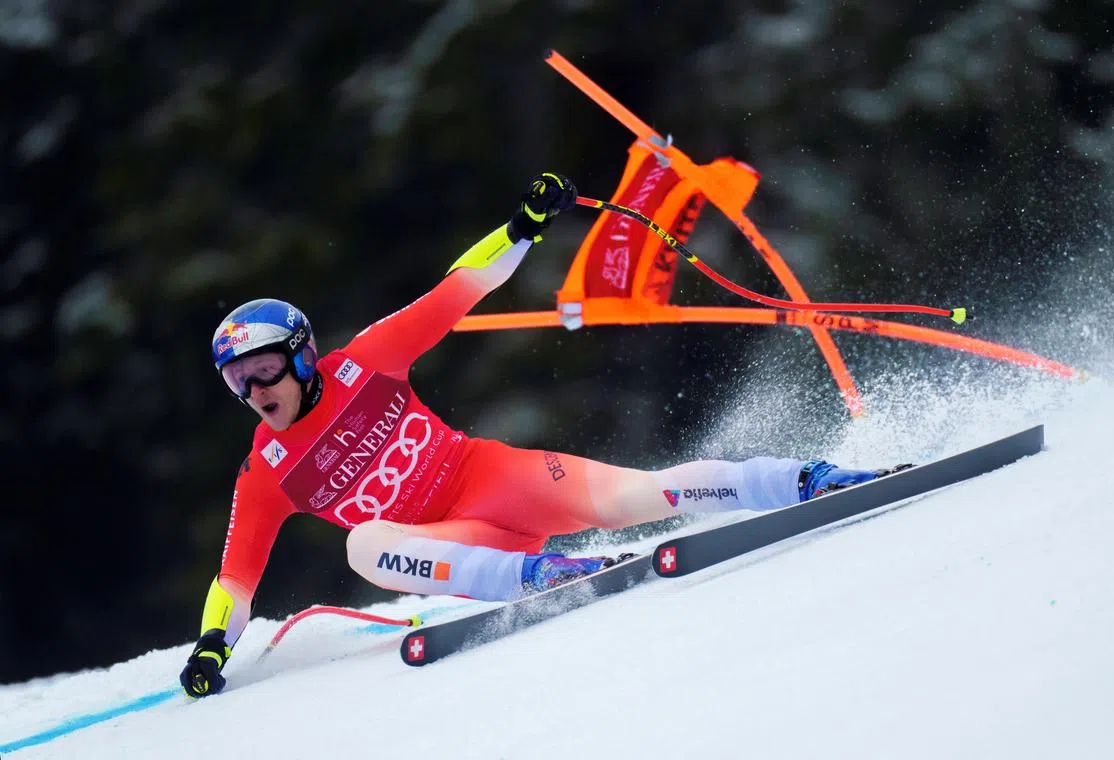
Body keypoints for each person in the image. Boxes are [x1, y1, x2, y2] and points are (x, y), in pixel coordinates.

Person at [180, 172, 901, 698]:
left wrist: (522, 224)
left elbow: (460, 288)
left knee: (637, 496)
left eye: (265, 367)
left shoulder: (363, 363)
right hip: (464, 549)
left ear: (301, 355)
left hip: (495, 479)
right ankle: (540, 578)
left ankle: (804, 480)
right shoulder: (266, 471)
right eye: (237, 381)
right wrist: (214, 646)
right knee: (364, 543)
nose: (255, 390)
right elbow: (234, 580)